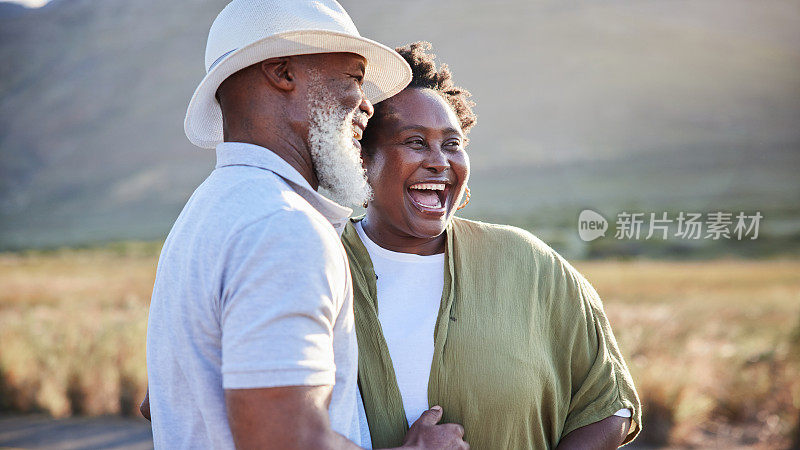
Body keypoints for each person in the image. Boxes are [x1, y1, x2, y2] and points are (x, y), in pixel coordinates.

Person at [145, 1, 468, 448]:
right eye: (355, 78)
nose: (368, 106)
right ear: (283, 73)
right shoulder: (283, 227)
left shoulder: (206, 214)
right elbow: (281, 437)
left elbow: (160, 402)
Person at [342, 42, 642, 449]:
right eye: (415, 142)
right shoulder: (321, 263)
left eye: (452, 144)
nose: (439, 161)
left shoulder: (528, 264)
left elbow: (608, 404)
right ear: (362, 157)